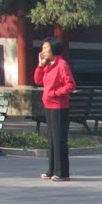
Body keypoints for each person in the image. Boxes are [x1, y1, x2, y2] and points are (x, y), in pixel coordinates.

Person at [33, 37, 76, 181]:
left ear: (53, 50)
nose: (42, 51)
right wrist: (40, 65)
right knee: (52, 139)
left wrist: (54, 93)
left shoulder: (61, 64)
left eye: (45, 48)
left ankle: (62, 172)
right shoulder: (48, 65)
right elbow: (37, 81)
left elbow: (70, 85)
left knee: (59, 139)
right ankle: (51, 170)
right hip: (48, 106)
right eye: (42, 48)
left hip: (59, 106)